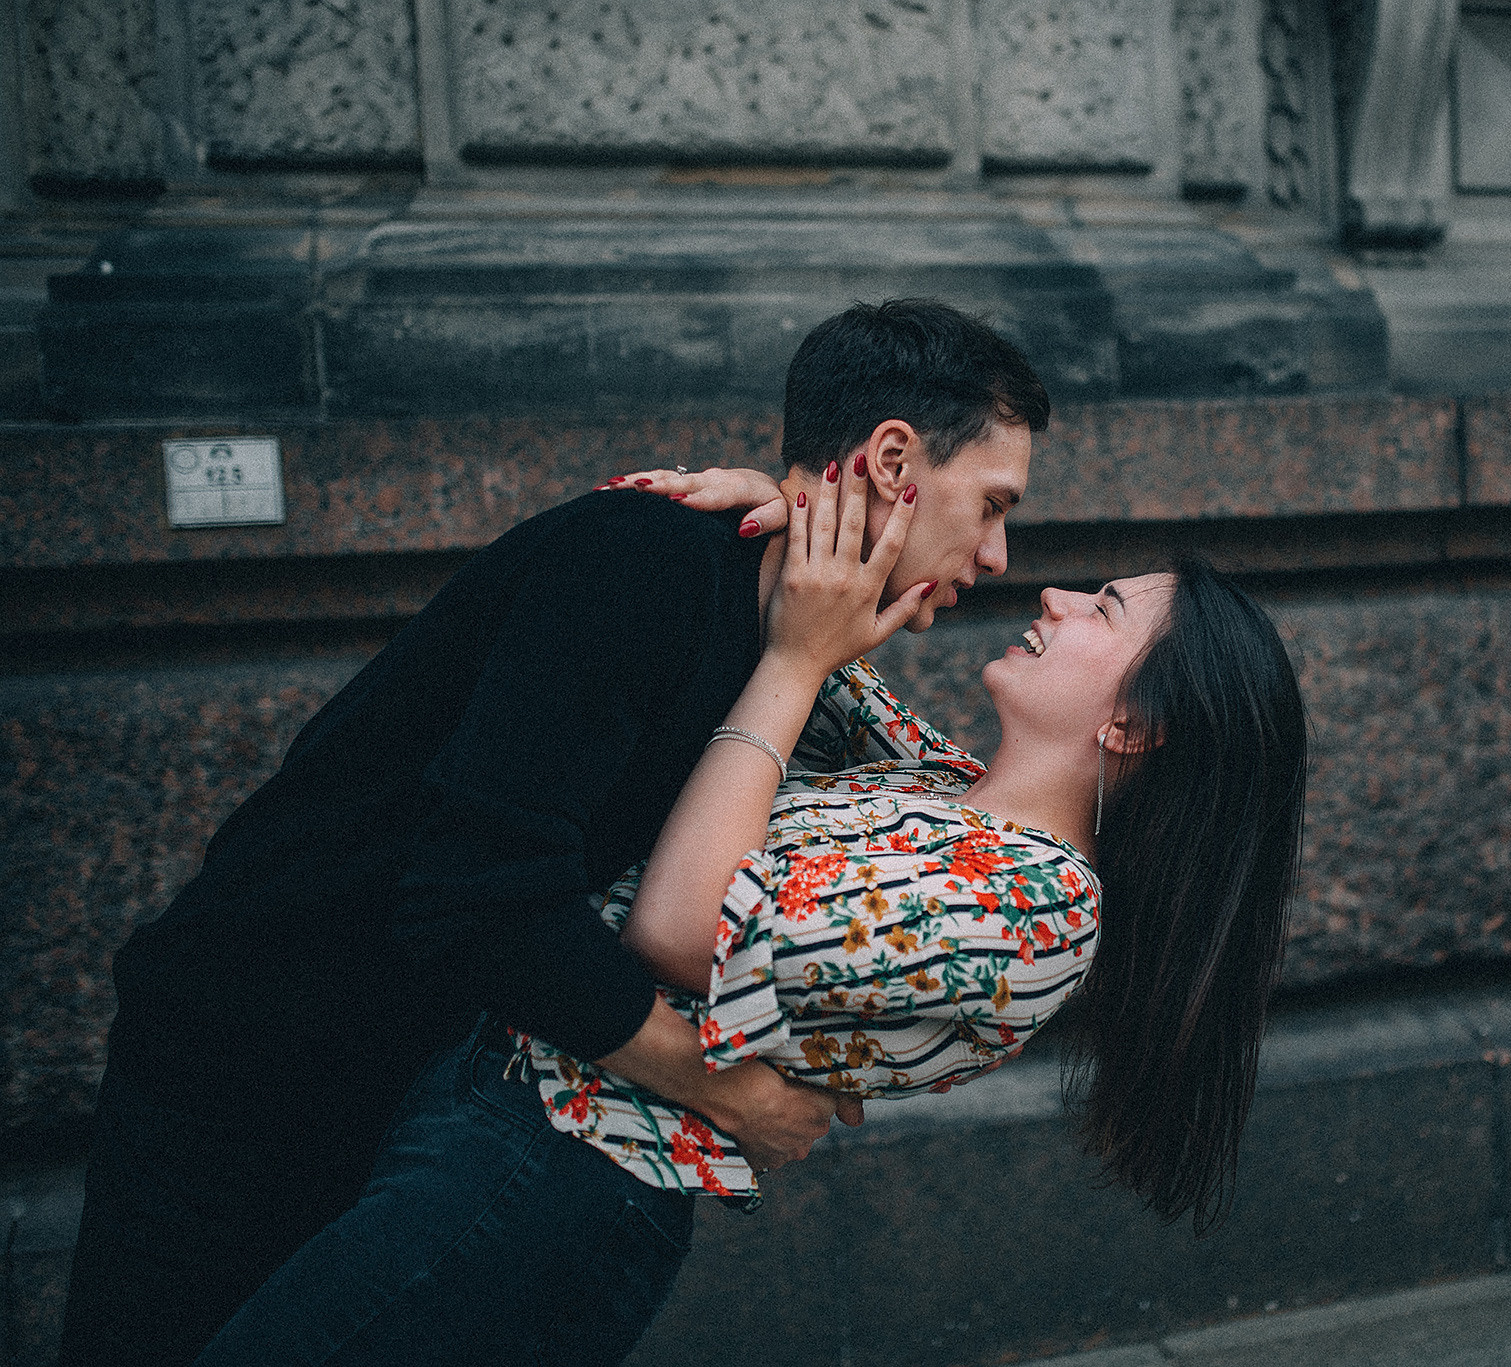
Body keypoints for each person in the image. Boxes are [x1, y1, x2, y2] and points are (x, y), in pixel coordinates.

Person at [59, 299, 1048, 1367]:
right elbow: (483, 897)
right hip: (244, 1055)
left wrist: (791, 513)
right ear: (893, 462)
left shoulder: (790, 635)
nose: (998, 555)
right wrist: (723, 1090)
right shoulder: (636, 560)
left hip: (399, 1071)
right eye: (991, 504)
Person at [184, 453, 1310, 1366]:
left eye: (1103, 609)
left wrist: (794, 656)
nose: (1053, 594)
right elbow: (815, 616)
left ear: (1134, 724)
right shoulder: (936, 782)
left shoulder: (1038, 909)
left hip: (553, 1177)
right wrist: (786, 505)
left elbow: (680, 926)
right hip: (487, 1096)